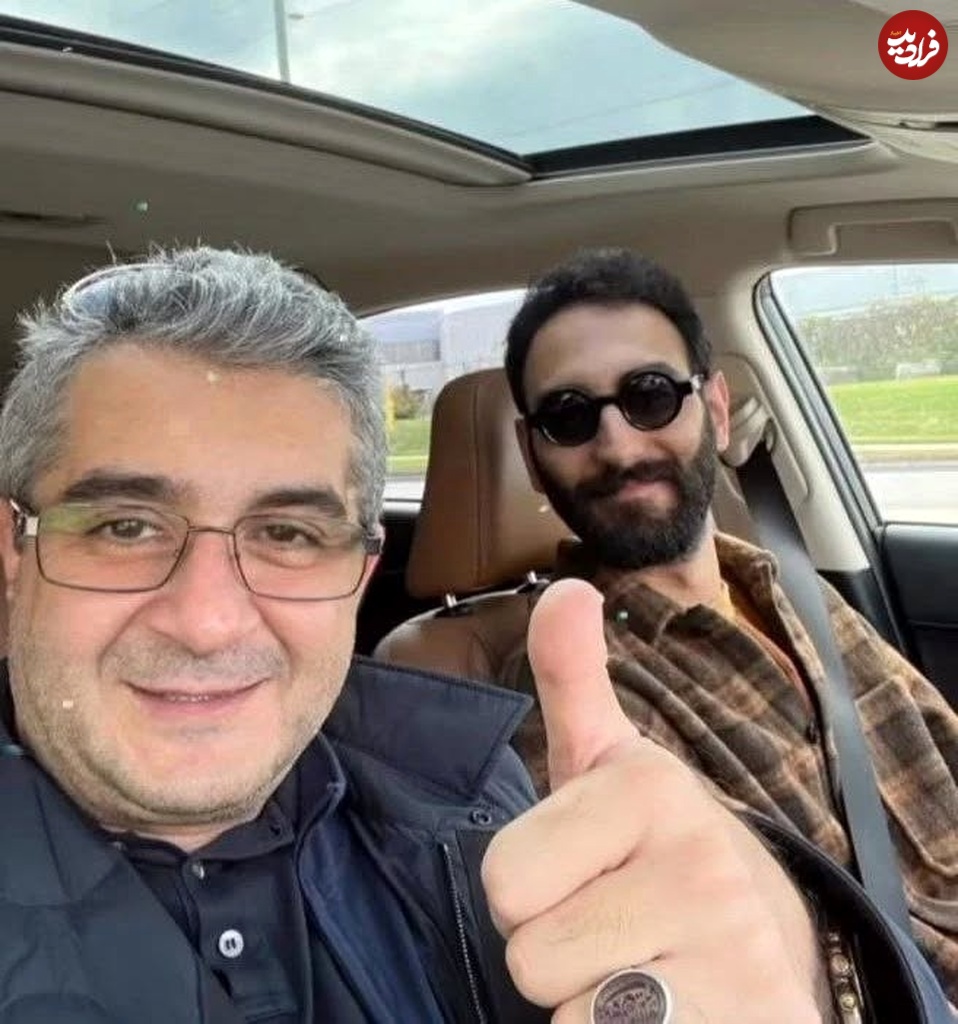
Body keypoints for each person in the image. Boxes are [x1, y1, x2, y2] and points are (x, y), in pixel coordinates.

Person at [0, 247, 947, 1024]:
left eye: (288, 535)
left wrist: (814, 959)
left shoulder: (468, 789)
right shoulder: (540, 712)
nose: (207, 620)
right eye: (124, 526)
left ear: (359, 572)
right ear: (11, 550)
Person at [499, 246, 958, 1006]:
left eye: (650, 396)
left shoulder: (796, 591)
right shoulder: (577, 697)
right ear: (531, 451)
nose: (618, 446)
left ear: (714, 409)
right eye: (569, 416)